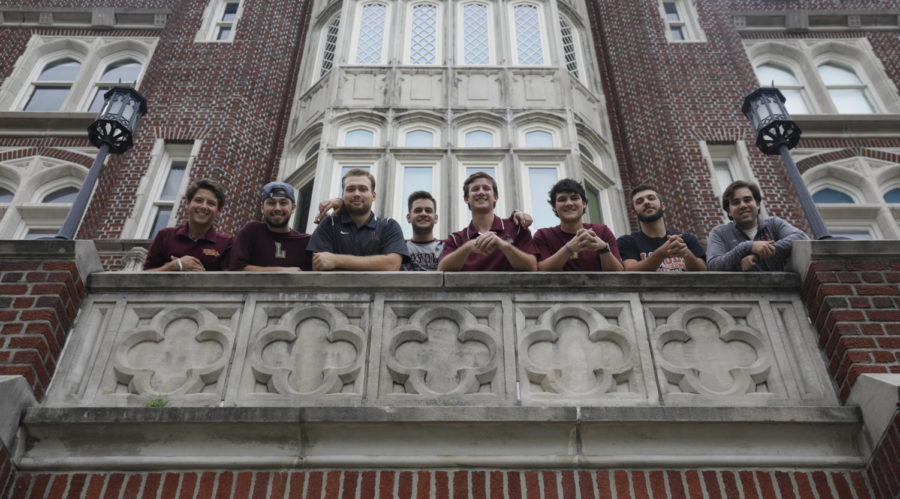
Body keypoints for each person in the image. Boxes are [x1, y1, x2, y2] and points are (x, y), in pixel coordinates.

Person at [307, 168, 409, 270]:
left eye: (363, 189)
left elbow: (392, 265)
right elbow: (319, 266)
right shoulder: (329, 223)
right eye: (350, 189)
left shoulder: (388, 225)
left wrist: (336, 260)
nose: (356, 194)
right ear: (343, 195)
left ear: (373, 196)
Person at [438, 172, 538, 271]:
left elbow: (532, 267)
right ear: (466, 199)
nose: (481, 192)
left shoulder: (517, 228)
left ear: (496, 197)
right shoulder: (456, 239)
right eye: (475, 189)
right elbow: (441, 269)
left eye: (486, 188)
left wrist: (503, 245)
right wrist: (467, 248)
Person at [707, 180, 808, 271]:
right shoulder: (719, 233)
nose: (742, 205)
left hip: (782, 288)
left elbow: (802, 238)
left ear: (758, 204)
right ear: (729, 211)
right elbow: (713, 265)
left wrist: (757, 255)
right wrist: (747, 247)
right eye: (736, 202)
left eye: (747, 200)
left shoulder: (773, 224)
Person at [533, 179, 623, 271]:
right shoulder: (543, 235)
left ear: (584, 204)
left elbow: (620, 272)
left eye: (574, 198)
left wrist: (603, 249)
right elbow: (540, 270)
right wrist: (568, 248)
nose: (569, 203)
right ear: (554, 207)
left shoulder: (602, 231)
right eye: (562, 199)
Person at [144, 179, 232, 272]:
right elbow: (143, 277)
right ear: (188, 203)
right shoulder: (164, 236)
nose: (203, 206)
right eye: (198, 200)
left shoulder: (227, 243)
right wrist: (174, 266)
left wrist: (202, 275)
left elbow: (230, 281)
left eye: (211, 203)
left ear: (219, 211)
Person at [616, 184, 707, 272]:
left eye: (651, 198)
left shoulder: (686, 239)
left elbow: (704, 271)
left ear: (663, 206)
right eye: (640, 201)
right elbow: (630, 272)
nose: (646, 202)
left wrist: (686, 253)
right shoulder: (627, 242)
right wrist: (661, 253)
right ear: (634, 214)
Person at [229, 181, 312, 271]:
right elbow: (236, 268)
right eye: (271, 203)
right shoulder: (252, 232)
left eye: (283, 203)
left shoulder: (305, 242)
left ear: (293, 208)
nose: (277, 208)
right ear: (262, 208)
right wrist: (281, 271)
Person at [403, 190, 443, 271]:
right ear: (408, 217)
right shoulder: (400, 248)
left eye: (428, 210)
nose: (423, 214)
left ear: (436, 218)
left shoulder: (445, 247)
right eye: (418, 210)